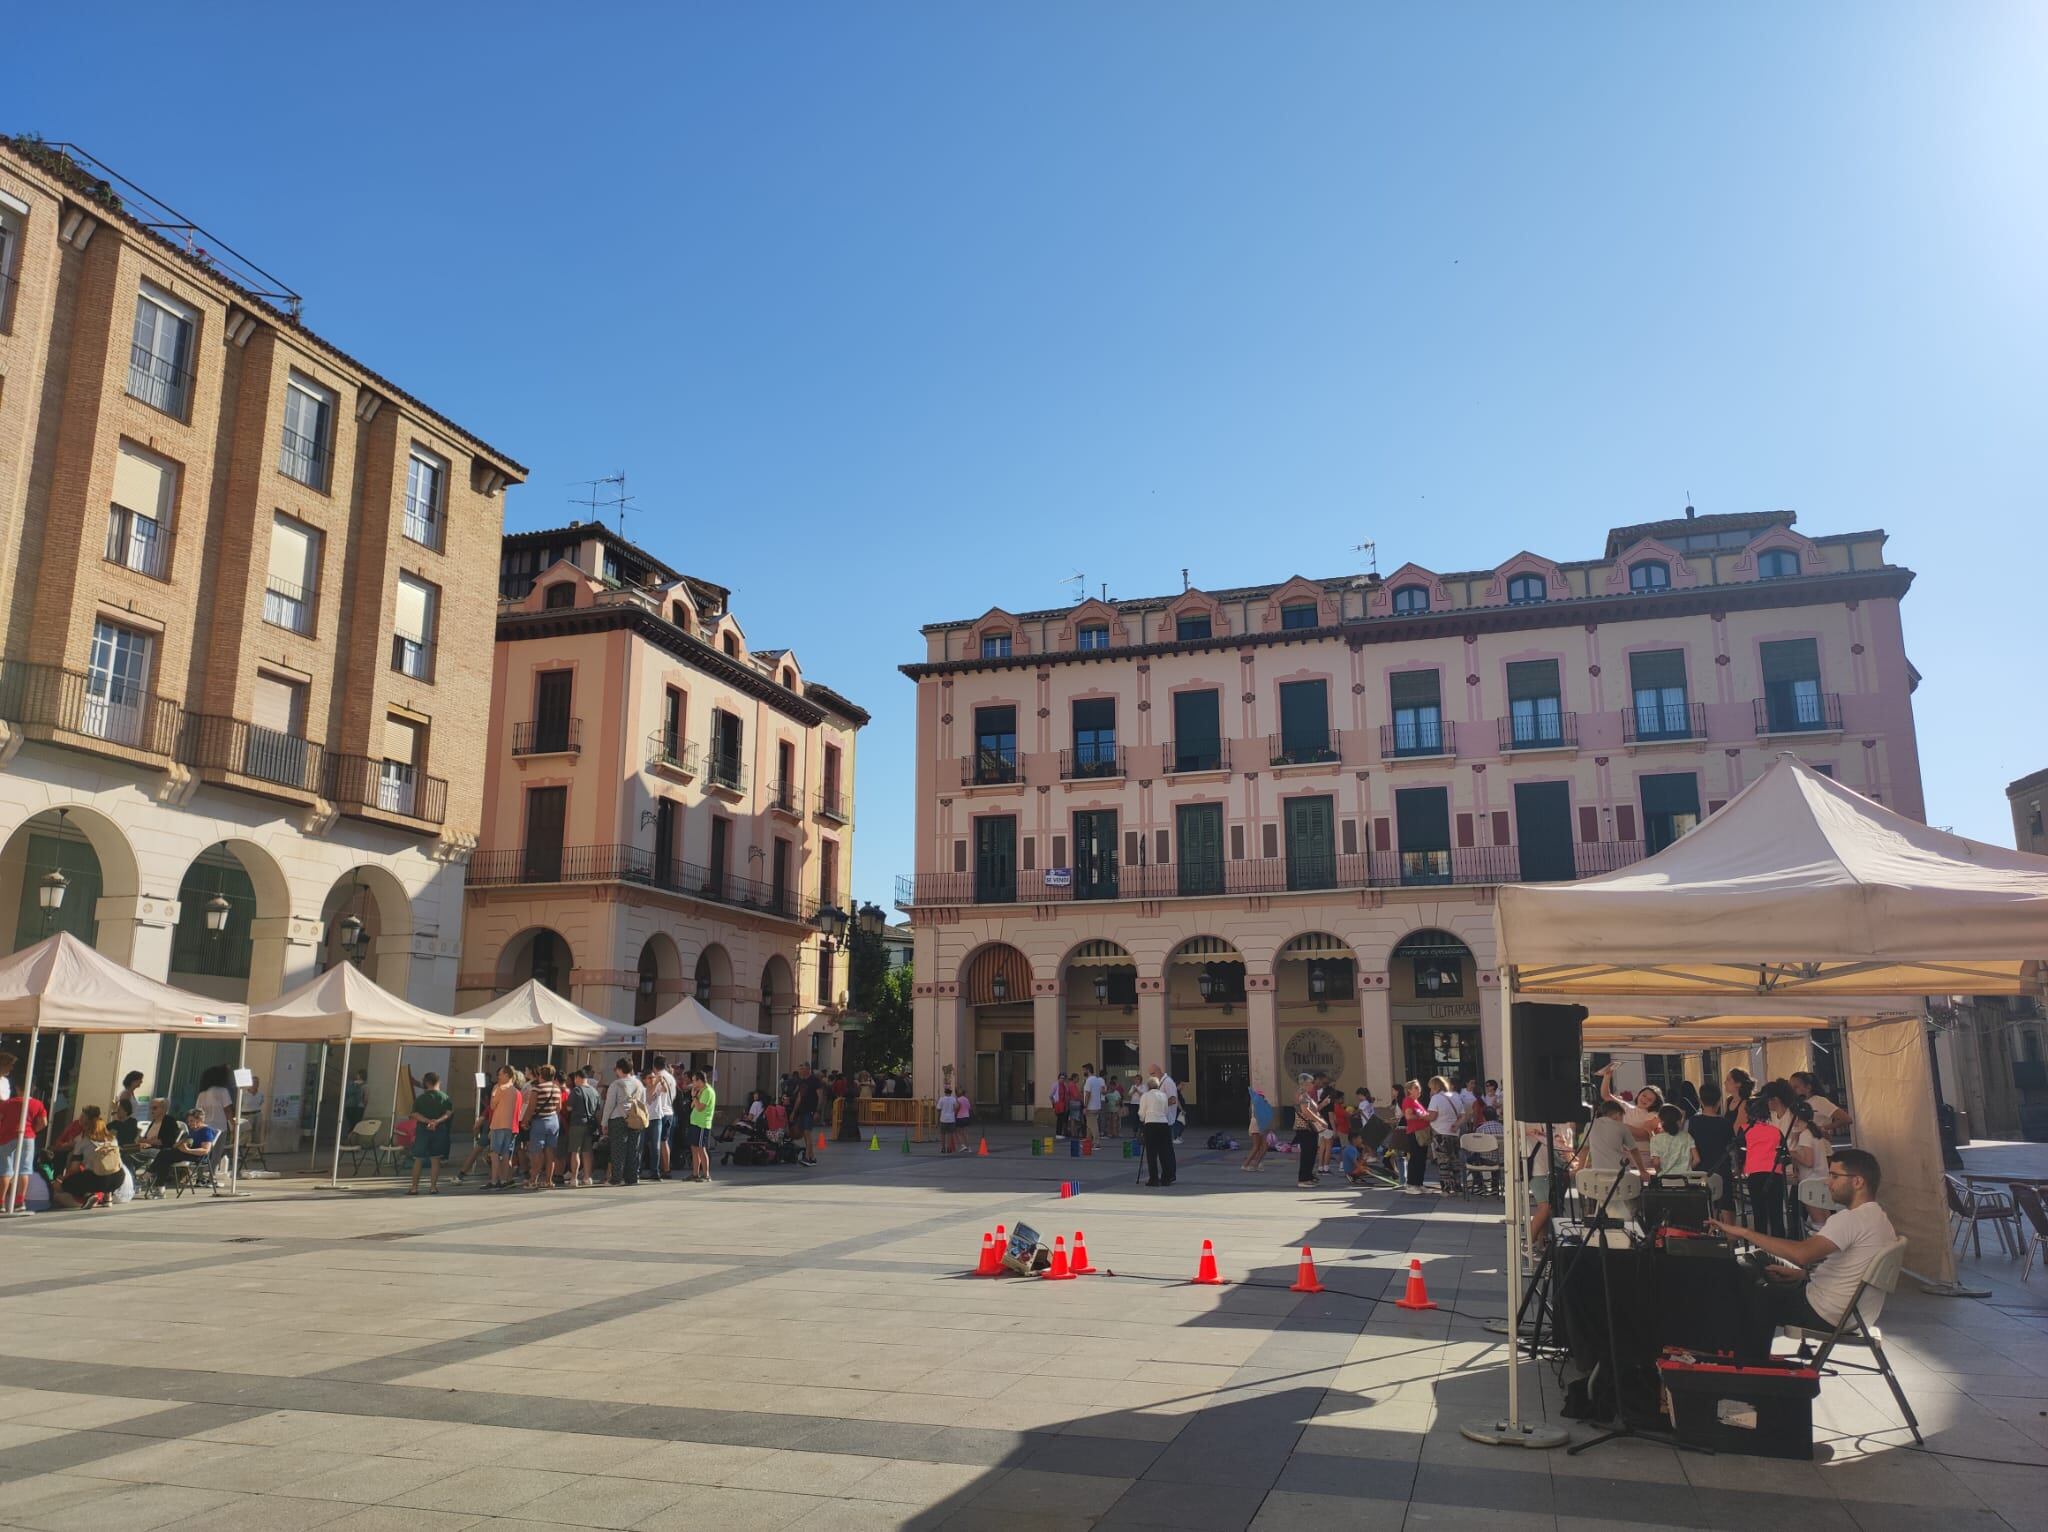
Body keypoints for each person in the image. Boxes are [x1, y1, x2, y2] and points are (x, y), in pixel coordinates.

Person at [1709, 1148, 1897, 1357]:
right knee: (1760, 1260)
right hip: (1854, 1313)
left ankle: (1751, 1365)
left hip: (1825, 1312)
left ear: (1858, 1182)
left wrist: (1745, 1232)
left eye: (1835, 1176)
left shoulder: (1851, 1219)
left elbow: (1801, 1254)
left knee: (1753, 1295)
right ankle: (1751, 1360)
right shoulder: (1879, 1218)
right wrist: (1802, 1275)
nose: (1828, 1182)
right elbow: (1849, 1268)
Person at [1739, 1081, 1789, 1238]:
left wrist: (1740, 1168)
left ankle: (1762, 1249)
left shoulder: (1744, 1130)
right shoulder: (1776, 1131)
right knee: (1776, 1215)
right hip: (1775, 1174)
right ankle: (1781, 1248)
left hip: (1755, 1174)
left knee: (1759, 1213)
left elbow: (1740, 1152)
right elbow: (1785, 1153)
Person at [1686, 1079, 1736, 1210]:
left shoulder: (1693, 1122)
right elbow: (1731, 1146)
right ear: (1719, 1101)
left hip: (1700, 1171)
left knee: (1703, 1207)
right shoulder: (1726, 1123)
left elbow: (1690, 1146)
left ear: (1701, 1101)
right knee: (1726, 1206)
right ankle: (1728, 1230)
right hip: (1722, 1169)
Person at [54, 1118, 125, 1208]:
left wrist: (63, 1179)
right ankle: (108, 1198)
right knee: (108, 1170)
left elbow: (74, 1169)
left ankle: (87, 1195)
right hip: (118, 1178)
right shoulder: (113, 1140)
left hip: (98, 1180)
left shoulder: (84, 1142)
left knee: (69, 1183)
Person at [0, 1081, 48, 1214]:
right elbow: (44, 1122)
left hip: (6, 1137)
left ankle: (1, 1203)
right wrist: (33, 1130)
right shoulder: (38, 1104)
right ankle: (20, 1201)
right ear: (33, 1089)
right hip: (27, 1136)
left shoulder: (8, 1103)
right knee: (24, 1169)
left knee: (5, 1170)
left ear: (17, 1088)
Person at [407, 1072, 455, 1195]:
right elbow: (448, 1113)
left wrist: (427, 1121)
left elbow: (414, 1114)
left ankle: (414, 1187)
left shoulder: (420, 1098)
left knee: (418, 1159)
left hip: (423, 1130)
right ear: (438, 1082)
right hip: (439, 1130)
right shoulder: (445, 1097)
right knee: (435, 1159)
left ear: (426, 1083)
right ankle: (433, 1187)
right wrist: (436, 1122)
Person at [604, 1058, 648, 1186]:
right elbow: (643, 1103)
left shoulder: (616, 1084)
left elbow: (609, 1105)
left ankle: (616, 1178)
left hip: (618, 1118)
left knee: (618, 1150)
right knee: (633, 1149)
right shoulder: (639, 1084)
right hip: (635, 1118)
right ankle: (632, 1177)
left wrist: (604, 1122)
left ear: (619, 1069)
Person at [149, 1109, 218, 1191]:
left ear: (199, 1119)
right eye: (188, 1121)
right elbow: (178, 1144)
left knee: (164, 1154)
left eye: (192, 1121)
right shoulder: (194, 1130)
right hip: (187, 1153)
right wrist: (181, 1142)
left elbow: (205, 1150)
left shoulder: (206, 1131)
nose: (189, 1124)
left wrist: (187, 1150)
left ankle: (150, 1174)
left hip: (197, 1156)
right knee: (165, 1157)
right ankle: (160, 1187)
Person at [522, 1064, 563, 1191]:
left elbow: (531, 1107)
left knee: (537, 1152)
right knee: (550, 1152)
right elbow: (559, 1107)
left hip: (540, 1122)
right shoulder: (557, 1088)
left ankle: (533, 1180)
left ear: (540, 1075)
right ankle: (548, 1181)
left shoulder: (537, 1089)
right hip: (554, 1121)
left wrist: (525, 1121)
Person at [482, 1066, 521, 1190]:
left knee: (494, 1153)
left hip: (498, 1124)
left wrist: (494, 1092)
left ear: (506, 1075)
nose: (498, 1077)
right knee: (505, 1154)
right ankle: (504, 1179)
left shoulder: (500, 1089)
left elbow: (492, 1106)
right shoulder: (516, 1091)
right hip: (511, 1126)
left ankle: (494, 1180)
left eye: (500, 1074)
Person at [562, 1068, 602, 1187]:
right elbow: (598, 1111)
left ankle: (574, 1178)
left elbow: (569, 1108)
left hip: (577, 1123)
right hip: (590, 1124)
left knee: (575, 1151)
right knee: (587, 1152)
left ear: (578, 1078)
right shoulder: (594, 1092)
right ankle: (587, 1177)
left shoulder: (577, 1090)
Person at [1790, 1071, 1853, 1138]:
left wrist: (1820, 1128)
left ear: (1808, 1087)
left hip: (1818, 1145)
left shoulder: (1819, 1101)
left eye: (1796, 1087)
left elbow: (1846, 1119)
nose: (1792, 1090)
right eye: (1790, 1087)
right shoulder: (1797, 1104)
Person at [1138, 1074, 1175, 1187]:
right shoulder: (1163, 1095)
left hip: (1151, 1124)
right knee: (1164, 1152)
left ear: (1148, 1086)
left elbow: (1142, 1112)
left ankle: (1153, 1179)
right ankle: (1166, 1178)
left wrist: (1143, 1119)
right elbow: (1165, 1111)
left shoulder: (1145, 1096)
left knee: (1151, 1153)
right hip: (1163, 1124)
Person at [643, 1055, 676, 1181]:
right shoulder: (671, 1078)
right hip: (670, 1111)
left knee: (656, 1143)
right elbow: (673, 1095)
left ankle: (656, 1169)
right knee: (664, 1141)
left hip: (659, 1112)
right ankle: (666, 1168)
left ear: (654, 1066)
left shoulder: (657, 1078)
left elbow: (651, 1094)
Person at [1291, 1074, 1326, 1188]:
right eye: (1311, 1083)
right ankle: (1304, 1178)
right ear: (1305, 1084)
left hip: (1308, 1128)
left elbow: (1311, 1109)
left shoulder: (1304, 1094)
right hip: (1305, 1128)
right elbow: (1306, 1111)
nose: (1313, 1085)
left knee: (1311, 1152)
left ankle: (1309, 1176)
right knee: (1307, 1153)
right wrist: (1320, 1121)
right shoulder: (1302, 1095)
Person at [1397, 1081, 1432, 1189]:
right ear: (1409, 1090)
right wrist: (1422, 1117)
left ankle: (1419, 1183)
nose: (1418, 1090)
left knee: (1421, 1159)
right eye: (1416, 1088)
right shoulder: (1408, 1100)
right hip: (1415, 1133)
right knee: (1415, 1158)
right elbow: (1408, 1116)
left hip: (1422, 1132)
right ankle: (1412, 1184)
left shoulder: (1416, 1101)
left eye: (1419, 1087)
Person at [685, 1068, 717, 1182]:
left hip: (702, 1124)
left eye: (694, 1081)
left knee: (701, 1148)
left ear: (700, 1081)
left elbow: (700, 1107)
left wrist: (694, 1096)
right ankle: (695, 1173)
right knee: (694, 1148)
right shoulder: (701, 1091)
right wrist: (695, 1095)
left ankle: (706, 1174)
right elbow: (692, 1106)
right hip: (695, 1123)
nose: (693, 1083)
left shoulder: (708, 1091)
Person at [1648, 1103, 1698, 1175]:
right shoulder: (1687, 1136)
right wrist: (1688, 1170)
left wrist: (1660, 1173)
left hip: (1665, 1180)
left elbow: (1656, 1163)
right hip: (1685, 1180)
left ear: (1661, 1122)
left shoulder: (1655, 1139)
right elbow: (1696, 1160)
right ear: (1679, 1122)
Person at [1243, 1088, 1272, 1171]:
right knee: (1256, 1146)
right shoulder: (1257, 1104)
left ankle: (1256, 1163)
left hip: (1259, 1125)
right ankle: (1246, 1164)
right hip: (1257, 1125)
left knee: (1263, 1146)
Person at [1080, 1065, 1104, 1145]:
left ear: (1088, 1070)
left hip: (1091, 1106)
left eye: (1084, 1070)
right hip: (1097, 1105)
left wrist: (1085, 1106)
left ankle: (1097, 1143)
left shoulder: (1089, 1081)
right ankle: (1088, 1142)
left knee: (1093, 1125)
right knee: (1089, 1125)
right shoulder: (1097, 1080)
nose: (1083, 1072)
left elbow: (1087, 1094)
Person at [341, 1068, 368, 1136]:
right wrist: (364, 1105)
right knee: (356, 1125)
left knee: (350, 1124)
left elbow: (346, 1094)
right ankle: (352, 1140)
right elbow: (366, 1098)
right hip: (359, 1107)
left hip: (349, 1106)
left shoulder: (351, 1084)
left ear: (358, 1076)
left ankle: (348, 1138)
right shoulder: (365, 1086)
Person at [937, 1082, 959, 1155]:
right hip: (951, 1119)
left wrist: (938, 1119)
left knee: (942, 1134)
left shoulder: (941, 1099)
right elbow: (956, 1107)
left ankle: (943, 1148)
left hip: (943, 1119)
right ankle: (949, 1148)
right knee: (950, 1134)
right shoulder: (953, 1099)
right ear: (951, 1092)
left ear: (945, 1092)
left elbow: (938, 1109)